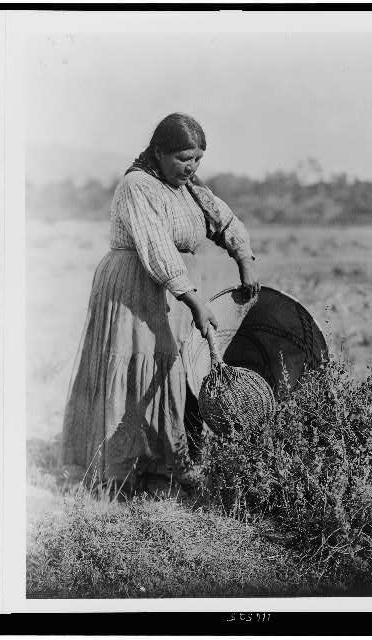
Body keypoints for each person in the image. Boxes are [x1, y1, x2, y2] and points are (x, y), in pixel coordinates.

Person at [61, 113, 259, 492]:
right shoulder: (138, 185)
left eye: (198, 159)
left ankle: (160, 466)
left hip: (172, 288)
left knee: (169, 368)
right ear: (158, 152)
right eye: (184, 158)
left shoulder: (189, 188)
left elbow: (225, 221)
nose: (192, 166)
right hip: (135, 284)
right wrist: (194, 300)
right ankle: (118, 472)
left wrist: (245, 260)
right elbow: (156, 247)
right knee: (137, 364)